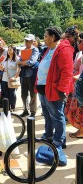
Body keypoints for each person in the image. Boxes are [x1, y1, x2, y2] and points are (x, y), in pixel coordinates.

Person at [35, 26, 74, 165]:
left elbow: (67, 71)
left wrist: (61, 89)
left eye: (45, 36)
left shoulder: (63, 49)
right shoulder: (49, 49)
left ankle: (58, 142)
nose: (44, 38)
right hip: (44, 89)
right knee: (47, 115)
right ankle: (49, 136)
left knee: (57, 116)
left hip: (54, 91)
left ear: (52, 37)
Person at [65, 32, 83, 138]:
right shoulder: (79, 53)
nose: (78, 43)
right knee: (78, 109)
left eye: (80, 41)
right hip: (77, 84)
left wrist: (77, 77)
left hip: (79, 82)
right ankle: (80, 129)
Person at [17, 34, 39, 117]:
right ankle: (25, 110)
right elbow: (18, 61)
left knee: (33, 94)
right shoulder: (22, 50)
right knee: (23, 94)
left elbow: (32, 62)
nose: (26, 42)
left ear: (32, 41)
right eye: (26, 40)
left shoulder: (35, 50)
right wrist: (21, 63)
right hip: (23, 74)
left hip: (32, 74)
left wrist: (22, 63)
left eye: (28, 41)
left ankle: (33, 112)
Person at [0, 45, 21, 112]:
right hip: (4, 79)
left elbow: (19, 69)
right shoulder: (6, 59)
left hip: (12, 79)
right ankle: (7, 107)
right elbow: (2, 68)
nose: (9, 51)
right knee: (6, 94)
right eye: (8, 50)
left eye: (10, 50)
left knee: (12, 94)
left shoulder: (17, 59)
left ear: (14, 51)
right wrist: (1, 68)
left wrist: (14, 77)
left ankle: (13, 107)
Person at [0, 37, 8, 108]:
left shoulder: (7, 51)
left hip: (8, 72)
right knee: (2, 88)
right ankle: (2, 103)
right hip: (1, 72)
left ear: (3, 43)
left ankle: (9, 104)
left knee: (8, 89)